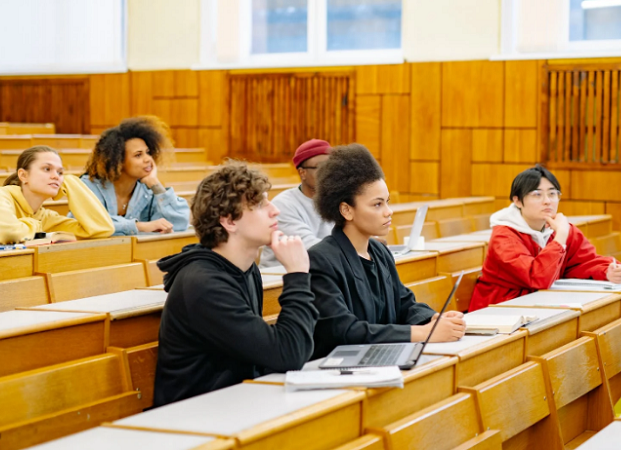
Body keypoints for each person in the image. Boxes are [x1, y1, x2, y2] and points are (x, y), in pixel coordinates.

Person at [153, 161, 319, 405]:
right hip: (192, 417)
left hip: (234, 400)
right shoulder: (203, 285)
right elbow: (288, 354)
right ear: (229, 221)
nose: (275, 211)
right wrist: (297, 274)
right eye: (260, 204)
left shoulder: (247, 269)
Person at [308, 144, 466, 360]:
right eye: (377, 205)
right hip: (339, 369)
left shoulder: (379, 251)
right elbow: (344, 330)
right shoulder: (321, 259)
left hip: (381, 358)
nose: (388, 212)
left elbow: (404, 303)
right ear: (346, 210)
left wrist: (434, 319)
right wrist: (422, 333)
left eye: (387, 202)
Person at [469, 165, 621, 311]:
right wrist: (560, 238)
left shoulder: (560, 229)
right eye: (537, 194)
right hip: (500, 310)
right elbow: (536, 277)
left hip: (536, 304)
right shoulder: (504, 237)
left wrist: (607, 271)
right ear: (517, 200)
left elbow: (581, 263)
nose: (547, 201)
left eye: (552, 194)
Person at [0, 146, 114, 251]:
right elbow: (11, 233)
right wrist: (47, 232)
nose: (56, 176)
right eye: (47, 169)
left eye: (60, 172)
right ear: (23, 175)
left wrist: (71, 182)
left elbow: (102, 229)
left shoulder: (43, 216)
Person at [80, 116, 190, 236]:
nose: (148, 159)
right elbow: (89, 222)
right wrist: (140, 226)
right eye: (138, 155)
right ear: (118, 161)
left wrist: (155, 184)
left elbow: (180, 223)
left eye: (148, 153)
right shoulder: (89, 186)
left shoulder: (148, 190)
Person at [259, 139, 334, 268]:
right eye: (321, 167)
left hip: (322, 272)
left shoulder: (340, 199)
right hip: (278, 278)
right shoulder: (284, 205)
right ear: (302, 173)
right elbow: (312, 249)